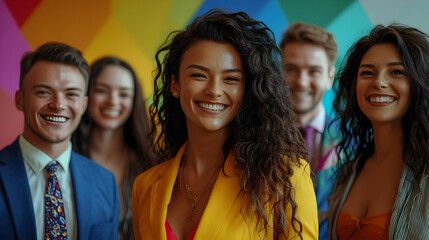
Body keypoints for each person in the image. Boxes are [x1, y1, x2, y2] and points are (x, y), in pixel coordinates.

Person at [132, 10, 318, 240]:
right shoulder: (145, 185)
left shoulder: (284, 178)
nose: (214, 90)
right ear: (175, 84)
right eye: (199, 75)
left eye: (231, 79)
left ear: (246, 91)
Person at [0, 42, 119, 240]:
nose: (58, 105)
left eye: (71, 94)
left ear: (83, 104)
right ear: (20, 99)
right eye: (43, 92)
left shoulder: (104, 183)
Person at [328, 24, 429, 239]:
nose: (379, 82)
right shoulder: (349, 171)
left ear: (419, 82)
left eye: (396, 72)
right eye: (367, 73)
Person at [72, 56, 154, 240]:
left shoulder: (149, 165)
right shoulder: (65, 159)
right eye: (102, 90)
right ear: (86, 95)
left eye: (124, 94)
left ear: (134, 102)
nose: (112, 101)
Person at [280, 22, 341, 239]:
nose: (301, 82)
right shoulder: (248, 136)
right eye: (291, 69)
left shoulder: (355, 141)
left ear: (330, 78)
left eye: (314, 71)